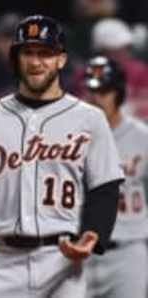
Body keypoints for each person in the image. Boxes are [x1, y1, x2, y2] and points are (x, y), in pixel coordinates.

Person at [0, 15, 124, 297]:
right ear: (15, 59)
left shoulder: (89, 119)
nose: (35, 62)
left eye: (45, 53)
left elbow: (105, 186)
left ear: (61, 59)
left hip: (61, 259)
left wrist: (93, 233)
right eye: (27, 53)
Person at [83, 56, 148, 298]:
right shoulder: (72, 138)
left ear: (119, 93)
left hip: (128, 252)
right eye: (92, 90)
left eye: (104, 90)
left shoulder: (141, 135)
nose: (96, 97)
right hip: (81, 251)